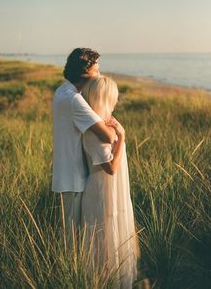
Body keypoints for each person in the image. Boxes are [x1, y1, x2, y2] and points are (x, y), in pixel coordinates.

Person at [81, 76, 139, 289]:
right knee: (104, 239)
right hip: (102, 191)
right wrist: (122, 137)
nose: (115, 102)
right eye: (113, 98)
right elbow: (111, 168)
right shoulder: (93, 131)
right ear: (105, 99)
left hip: (115, 191)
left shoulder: (105, 125)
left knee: (115, 235)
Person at [52, 48, 116, 234]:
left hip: (66, 174)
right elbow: (107, 136)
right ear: (84, 72)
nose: (99, 75)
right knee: (74, 236)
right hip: (75, 177)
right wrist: (116, 128)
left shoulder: (62, 91)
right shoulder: (74, 100)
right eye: (97, 70)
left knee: (70, 233)